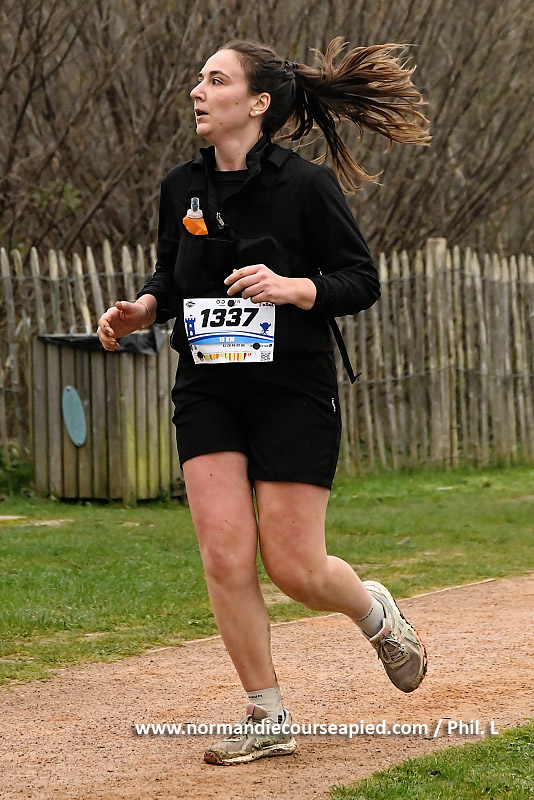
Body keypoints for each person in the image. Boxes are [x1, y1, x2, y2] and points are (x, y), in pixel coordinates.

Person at [97, 37, 430, 766]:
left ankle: (374, 611)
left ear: (257, 103)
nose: (197, 90)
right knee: (223, 553)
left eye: (215, 79)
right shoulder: (181, 186)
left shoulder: (305, 185)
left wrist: (292, 288)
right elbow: (170, 276)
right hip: (208, 387)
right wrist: (142, 309)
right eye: (199, 78)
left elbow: (361, 281)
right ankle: (266, 711)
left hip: (292, 389)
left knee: (295, 568)